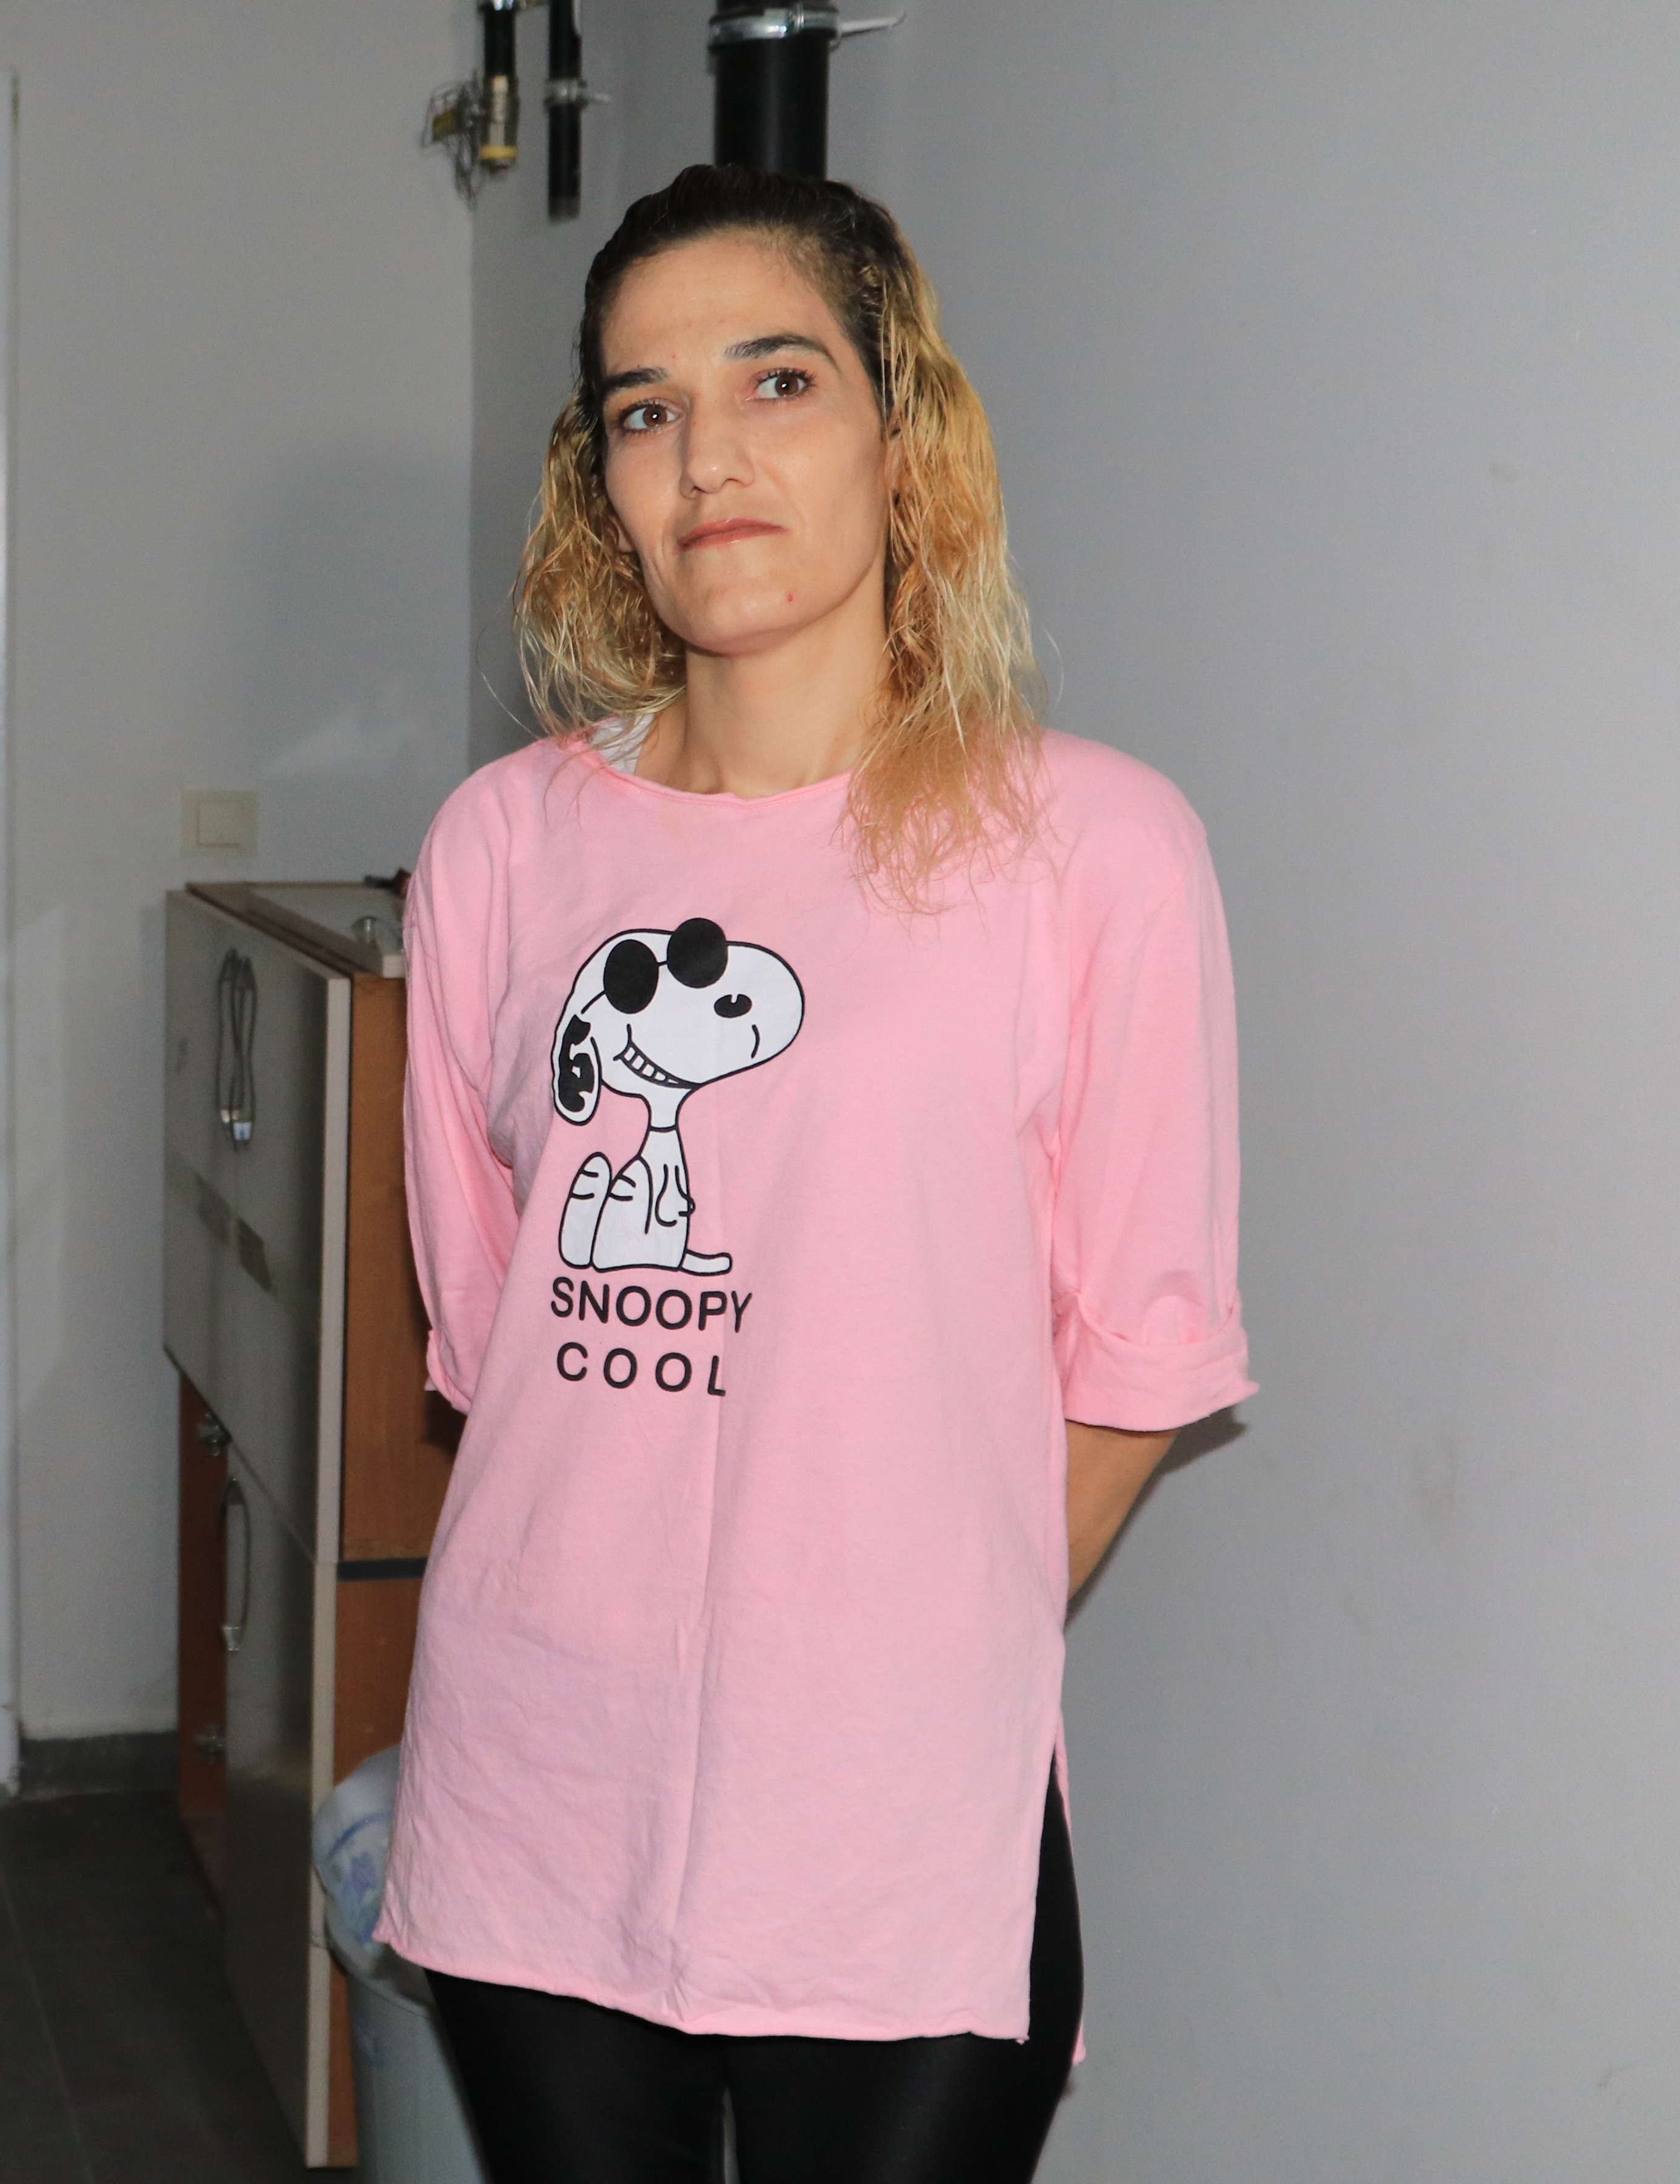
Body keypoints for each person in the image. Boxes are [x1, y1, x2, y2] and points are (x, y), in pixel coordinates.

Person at [374, 165, 1253, 2184]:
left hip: (899, 1808)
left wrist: (882, 1644)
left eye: (777, 380)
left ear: (898, 427)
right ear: (603, 481)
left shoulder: (1093, 849)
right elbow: (495, 1335)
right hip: (540, 1773)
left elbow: (1141, 1360)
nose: (708, 457)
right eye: (646, 408)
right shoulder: (499, 846)